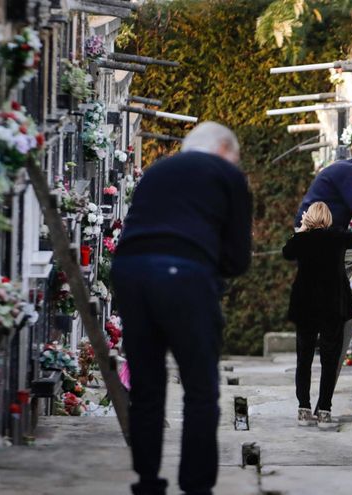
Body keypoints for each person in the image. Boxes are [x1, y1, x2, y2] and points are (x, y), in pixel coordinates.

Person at [112, 122, 252, 495]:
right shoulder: (227, 175)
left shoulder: (158, 171)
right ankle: (195, 485)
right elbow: (238, 258)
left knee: (146, 385)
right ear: (224, 150)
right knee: (200, 387)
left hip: (130, 272)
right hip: (185, 276)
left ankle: (147, 481)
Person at [283, 202, 352, 428]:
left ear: (308, 218)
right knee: (329, 359)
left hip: (306, 306)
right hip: (332, 305)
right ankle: (325, 411)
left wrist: (299, 231)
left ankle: (303, 409)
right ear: (327, 218)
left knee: (304, 359)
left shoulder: (301, 240)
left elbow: (286, 252)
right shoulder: (336, 236)